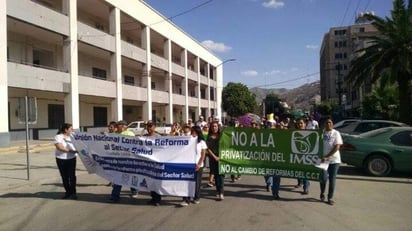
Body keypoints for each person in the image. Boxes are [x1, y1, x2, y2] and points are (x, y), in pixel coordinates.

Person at [109, 120, 138, 202]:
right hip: (119, 159)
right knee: (118, 177)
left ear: (123, 126)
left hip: (129, 159)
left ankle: (134, 190)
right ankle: (115, 196)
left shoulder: (130, 134)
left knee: (131, 175)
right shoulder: (116, 134)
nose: (117, 127)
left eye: (118, 126)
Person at [180, 126, 207, 207]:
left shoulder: (202, 142)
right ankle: (186, 199)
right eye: (192, 131)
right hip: (188, 164)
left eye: (194, 131)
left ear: (198, 132)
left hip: (198, 165)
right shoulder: (188, 140)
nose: (193, 133)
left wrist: (199, 164)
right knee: (186, 182)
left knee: (197, 182)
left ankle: (196, 197)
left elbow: (203, 155)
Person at [320, 117, 343, 205]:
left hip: (334, 160)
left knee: (332, 179)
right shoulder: (321, 133)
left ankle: (330, 197)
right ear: (324, 124)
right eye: (326, 123)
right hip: (323, 160)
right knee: (323, 178)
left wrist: (327, 156)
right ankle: (322, 193)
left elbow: (337, 146)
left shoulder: (336, 133)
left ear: (332, 124)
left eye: (330, 122)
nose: (328, 124)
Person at [54, 123, 78, 200]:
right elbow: (60, 147)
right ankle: (68, 192)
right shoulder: (58, 137)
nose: (72, 130)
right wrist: (72, 151)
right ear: (66, 130)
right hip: (61, 159)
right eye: (71, 129)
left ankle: (73, 193)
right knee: (64, 177)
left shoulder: (73, 136)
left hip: (72, 159)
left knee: (72, 176)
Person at [145, 121, 163, 206]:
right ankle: (153, 198)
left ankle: (158, 200)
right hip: (148, 163)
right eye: (148, 126)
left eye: (150, 126)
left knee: (157, 182)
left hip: (156, 163)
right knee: (150, 181)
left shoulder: (158, 137)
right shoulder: (144, 137)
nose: (149, 128)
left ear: (154, 127)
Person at [207, 121, 225, 201]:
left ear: (218, 127)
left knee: (221, 175)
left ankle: (221, 192)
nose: (214, 128)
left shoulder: (222, 136)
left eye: (216, 126)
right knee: (216, 176)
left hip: (221, 158)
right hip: (213, 158)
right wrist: (215, 157)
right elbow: (208, 149)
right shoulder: (209, 137)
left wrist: (221, 156)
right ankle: (218, 190)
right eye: (213, 126)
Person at [294, 118, 310, 194]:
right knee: (298, 171)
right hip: (297, 156)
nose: (300, 125)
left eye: (301, 123)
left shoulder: (309, 133)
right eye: (298, 123)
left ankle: (306, 187)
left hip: (306, 157)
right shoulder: (294, 133)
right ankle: (299, 182)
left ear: (305, 124)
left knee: (305, 172)